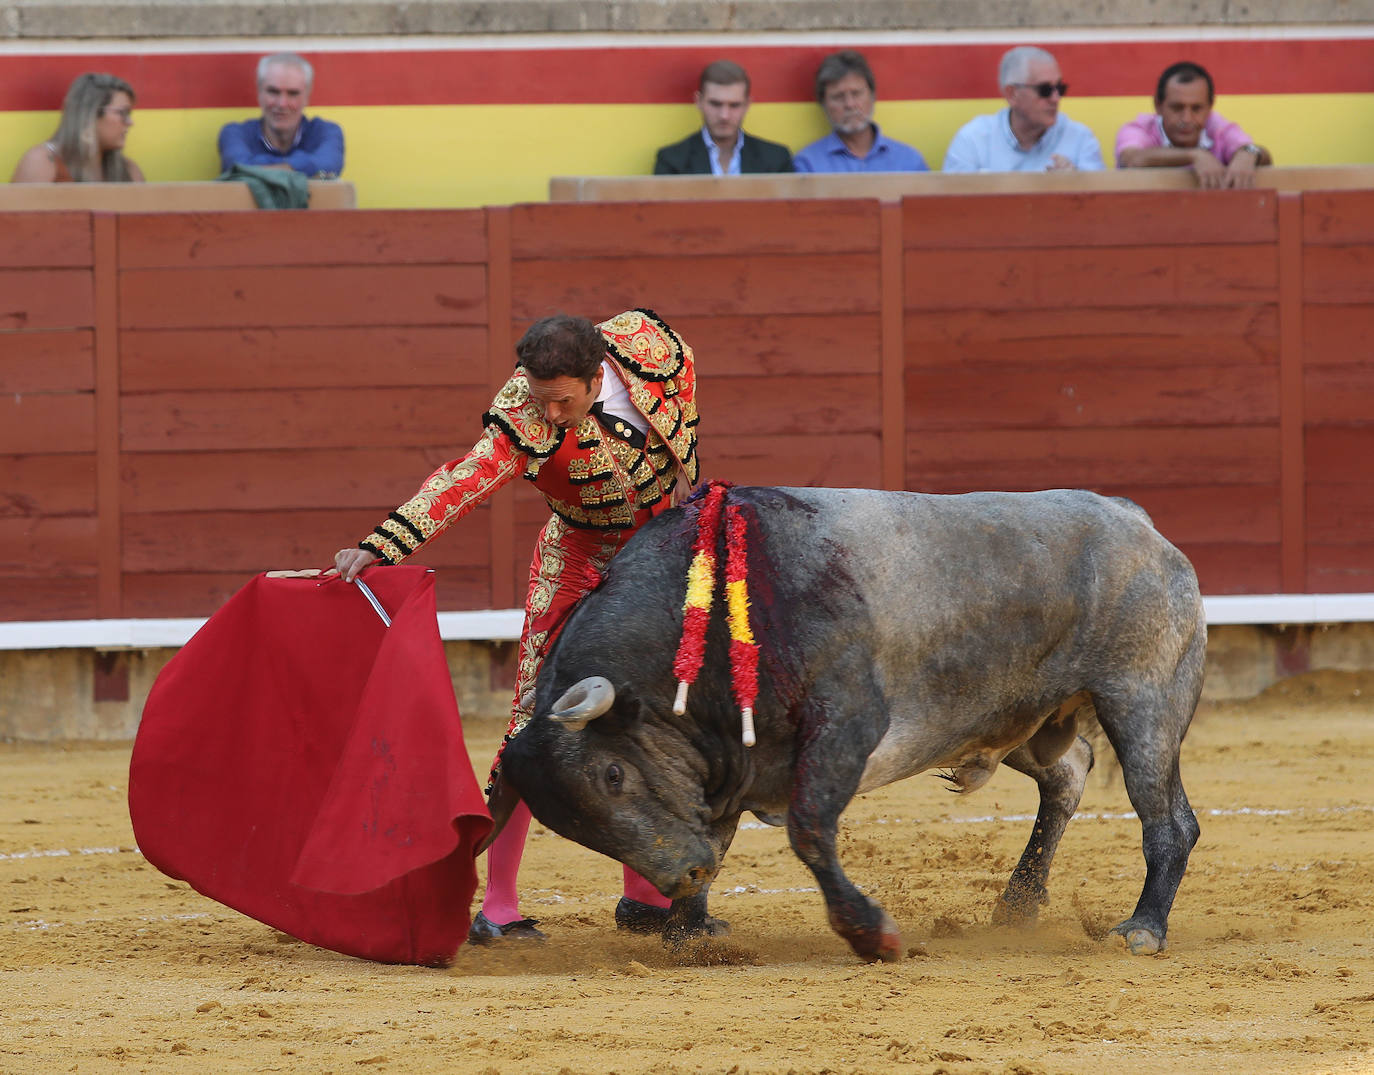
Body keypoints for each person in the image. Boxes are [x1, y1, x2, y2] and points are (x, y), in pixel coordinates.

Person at [332, 309, 701, 944]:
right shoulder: (524, 413)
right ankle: (497, 905)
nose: (549, 415)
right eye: (540, 400)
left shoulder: (653, 346)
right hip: (575, 561)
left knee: (656, 716)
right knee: (535, 719)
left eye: (561, 402)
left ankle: (646, 895)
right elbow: (466, 479)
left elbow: (686, 426)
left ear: (594, 377)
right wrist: (386, 542)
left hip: (657, 560)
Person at [942, 46, 1104, 174]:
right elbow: (954, 207)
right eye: (1045, 90)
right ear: (1012, 94)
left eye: (1060, 88)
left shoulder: (1080, 139)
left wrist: (1076, 185)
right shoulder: (973, 140)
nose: (1056, 98)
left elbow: (1100, 205)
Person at [1116, 61, 1272, 190]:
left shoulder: (1218, 128)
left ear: (1210, 106)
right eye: (1177, 108)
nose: (1187, 118)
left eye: (1196, 108)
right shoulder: (1140, 129)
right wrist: (1195, 155)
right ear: (1158, 105)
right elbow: (1131, 158)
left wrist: (1248, 153)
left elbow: (1260, 153)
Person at [793, 50, 928, 173]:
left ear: (873, 96)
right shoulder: (808, 165)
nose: (850, 104)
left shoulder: (909, 161)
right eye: (838, 97)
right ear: (823, 103)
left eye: (856, 94)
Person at [653, 60, 793, 175]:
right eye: (715, 104)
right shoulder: (672, 160)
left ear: (747, 105)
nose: (724, 115)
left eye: (734, 105)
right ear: (699, 101)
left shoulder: (776, 158)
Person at [217, 52, 344, 178]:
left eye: (293, 93)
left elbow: (329, 165)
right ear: (259, 92)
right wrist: (307, 168)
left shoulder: (326, 132)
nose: (282, 104)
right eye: (273, 92)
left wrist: (256, 170)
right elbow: (236, 166)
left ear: (307, 96)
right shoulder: (236, 134)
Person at [10, 72, 145, 183]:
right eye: (122, 113)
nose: (130, 122)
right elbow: (18, 216)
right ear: (90, 114)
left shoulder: (128, 171)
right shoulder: (43, 162)